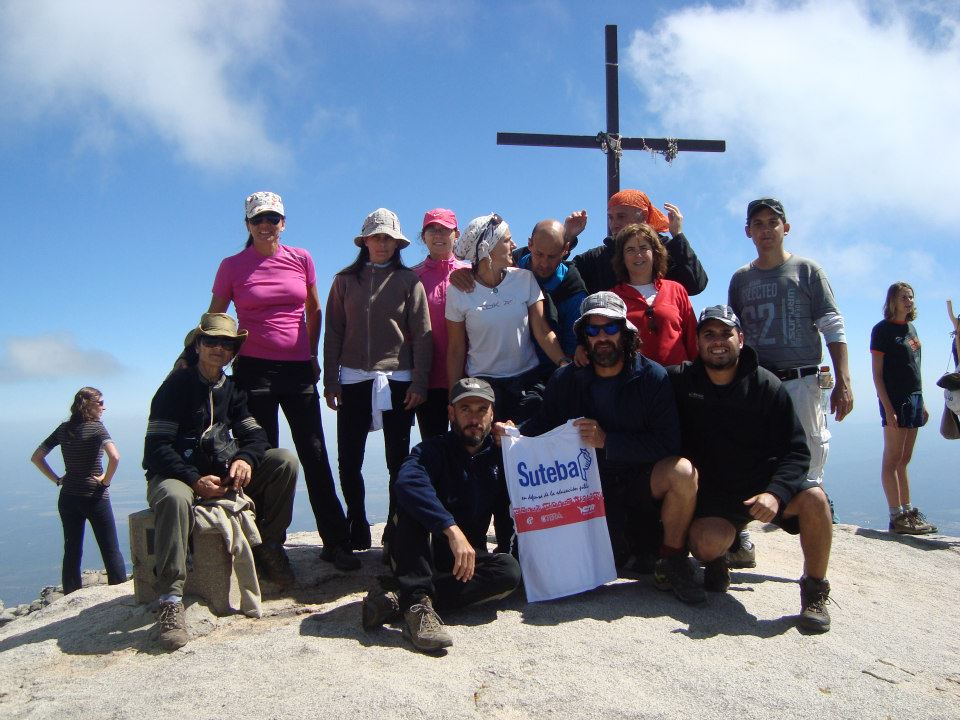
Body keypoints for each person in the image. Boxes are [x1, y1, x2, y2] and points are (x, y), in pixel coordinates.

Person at [513, 292, 705, 604]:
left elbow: (668, 442)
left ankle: (672, 561)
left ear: (626, 332)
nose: (602, 337)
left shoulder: (653, 377)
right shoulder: (566, 379)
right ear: (583, 337)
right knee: (606, 565)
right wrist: (512, 433)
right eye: (593, 330)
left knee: (682, 472)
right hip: (590, 492)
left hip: (641, 484)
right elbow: (542, 425)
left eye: (610, 328)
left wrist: (608, 441)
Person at [210, 191, 358, 571]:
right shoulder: (232, 265)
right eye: (259, 219)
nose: (266, 225)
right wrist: (214, 362)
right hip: (252, 370)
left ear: (283, 223)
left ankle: (336, 542)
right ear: (247, 224)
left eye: (273, 218)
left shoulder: (301, 258)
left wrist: (311, 355)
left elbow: (314, 310)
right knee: (264, 459)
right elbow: (216, 319)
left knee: (314, 453)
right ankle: (265, 546)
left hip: (297, 370)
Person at [670, 305, 834, 632]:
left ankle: (815, 590)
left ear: (741, 338)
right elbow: (640, 377)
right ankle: (717, 558)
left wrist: (776, 493)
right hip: (716, 500)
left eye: (726, 333)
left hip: (763, 487)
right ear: (698, 341)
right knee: (704, 543)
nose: (718, 341)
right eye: (709, 334)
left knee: (816, 500)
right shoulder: (680, 381)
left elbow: (797, 450)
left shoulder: (766, 385)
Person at [143, 313, 299, 650]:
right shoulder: (175, 387)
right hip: (176, 476)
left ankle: (269, 548)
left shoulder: (232, 390)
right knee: (173, 498)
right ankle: (170, 598)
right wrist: (194, 480)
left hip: (223, 474)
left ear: (233, 351)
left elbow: (256, 436)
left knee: (284, 461)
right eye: (211, 341)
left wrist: (245, 459)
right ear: (198, 345)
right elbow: (156, 449)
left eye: (226, 343)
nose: (218, 348)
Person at [728, 198, 854, 564]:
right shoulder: (741, 279)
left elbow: (832, 323)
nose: (766, 230)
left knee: (809, 465)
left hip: (802, 380)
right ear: (748, 231)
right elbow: (734, 334)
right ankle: (740, 539)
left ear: (787, 227)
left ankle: (813, 563)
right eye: (758, 224)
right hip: (756, 384)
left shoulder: (807, 270)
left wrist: (843, 378)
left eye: (773, 222)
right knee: (746, 458)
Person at [361, 377, 521, 653]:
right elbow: (407, 482)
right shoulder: (431, 450)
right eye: (465, 409)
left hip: (461, 560)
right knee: (411, 502)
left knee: (509, 571)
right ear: (451, 414)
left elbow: (514, 505)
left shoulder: (500, 455)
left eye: (482, 409)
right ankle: (417, 605)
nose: (474, 418)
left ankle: (403, 596)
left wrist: (516, 439)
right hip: (418, 553)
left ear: (492, 414)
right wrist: (450, 528)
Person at [324, 208, 432, 552]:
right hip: (353, 378)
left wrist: (419, 382)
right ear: (365, 241)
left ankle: (395, 528)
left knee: (397, 459)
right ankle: (357, 523)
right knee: (349, 458)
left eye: (387, 237)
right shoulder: (344, 280)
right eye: (376, 237)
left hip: (398, 378)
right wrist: (330, 379)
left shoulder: (409, 281)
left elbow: (423, 334)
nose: (382, 243)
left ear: (397, 242)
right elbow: (334, 332)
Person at [445, 213, 569, 424]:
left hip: (527, 381)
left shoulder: (524, 279)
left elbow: (541, 329)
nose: (514, 244)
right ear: (486, 248)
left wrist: (564, 363)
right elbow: (456, 348)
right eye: (506, 240)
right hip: (482, 385)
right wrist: (454, 397)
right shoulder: (458, 292)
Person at [31, 387, 126, 595]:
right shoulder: (97, 428)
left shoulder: (64, 429)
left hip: (68, 497)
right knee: (110, 548)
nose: (104, 407)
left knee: (72, 550)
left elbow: (37, 457)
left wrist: (57, 479)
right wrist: (105, 481)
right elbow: (115, 457)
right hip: (94, 496)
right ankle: (119, 596)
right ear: (88, 404)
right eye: (100, 402)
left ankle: (70, 595)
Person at [870, 282, 937, 534]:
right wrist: (888, 408)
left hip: (914, 399)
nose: (908, 300)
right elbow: (877, 374)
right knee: (892, 459)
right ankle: (896, 515)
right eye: (903, 297)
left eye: (911, 296)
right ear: (892, 301)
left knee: (904, 460)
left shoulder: (911, 328)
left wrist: (923, 402)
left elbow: (915, 369)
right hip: (895, 400)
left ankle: (907, 512)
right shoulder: (882, 330)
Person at [564, 189, 708, 296]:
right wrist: (568, 237)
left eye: (621, 216)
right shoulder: (597, 257)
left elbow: (696, 284)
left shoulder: (665, 251)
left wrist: (678, 236)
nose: (614, 224)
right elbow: (557, 277)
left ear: (644, 216)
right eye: (611, 217)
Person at [412, 208, 470, 439]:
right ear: (423, 236)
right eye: (432, 229)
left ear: (456, 234)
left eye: (445, 229)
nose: (438, 235)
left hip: (470, 376)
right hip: (429, 380)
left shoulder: (472, 272)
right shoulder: (411, 277)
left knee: (470, 447)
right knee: (434, 448)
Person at [610, 223, 697, 366]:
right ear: (622, 257)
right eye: (630, 250)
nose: (638, 255)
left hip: (679, 382)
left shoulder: (677, 290)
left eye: (644, 248)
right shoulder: (613, 297)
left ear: (655, 252)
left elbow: (693, 339)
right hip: (635, 382)